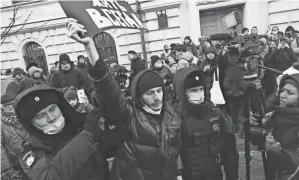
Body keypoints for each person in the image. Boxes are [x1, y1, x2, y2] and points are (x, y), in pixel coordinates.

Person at [66, 18, 182, 180]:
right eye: (150, 93)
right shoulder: (129, 113)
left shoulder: (173, 116)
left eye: (159, 91)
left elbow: (176, 153)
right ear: (139, 96)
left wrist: (178, 174)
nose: (157, 97)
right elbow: (109, 93)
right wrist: (90, 47)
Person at [13, 85, 110, 180]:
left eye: (52, 109)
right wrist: (87, 136)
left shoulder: (80, 126)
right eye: (41, 116)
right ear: (31, 124)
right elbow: (49, 176)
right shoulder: (32, 150)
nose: (51, 118)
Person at [172, 68, 239, 180]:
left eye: (201, 89)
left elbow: (229, 149)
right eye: (193, 90)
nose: (199, 94)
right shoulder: (174, 118)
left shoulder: (214, 113)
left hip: (214, 173)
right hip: (188, 175)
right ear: (182, 92)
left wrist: (232, 176)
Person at [250, 73, 299, 179]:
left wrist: (279, 153)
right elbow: (257, 140)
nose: (283, 95)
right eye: (282, 90)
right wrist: (254, 122)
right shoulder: (276, 113)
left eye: (290, 93)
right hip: (273, 172)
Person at [1, 94, 30, 180]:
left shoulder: (26, 115)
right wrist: (7, 169)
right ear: (2, 107)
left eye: (12, 104)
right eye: (7, 105)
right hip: (18, 163)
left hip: (37, 156)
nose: (10, 107)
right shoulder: (1, 124)